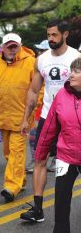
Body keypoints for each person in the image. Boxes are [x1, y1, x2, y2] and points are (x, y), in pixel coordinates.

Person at [20, 19, 81, 222]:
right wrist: (25, 119)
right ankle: (38, 209)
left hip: (72, 118)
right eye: (48, 35)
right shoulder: (42, 59)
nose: (51, 39)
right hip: (48, 116)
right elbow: (33, 90)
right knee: (39, 160)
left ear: (65, 34)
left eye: (54, 35)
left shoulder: (76, 57)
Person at [0, 33, 35, 202]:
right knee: (8, 152)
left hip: (22, 117)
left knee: (17, 151)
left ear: (20, 46)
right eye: (9, 46)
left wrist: (32, 108)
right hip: (2, 116)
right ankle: (21, 179)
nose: (12, 49)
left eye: (15, 46)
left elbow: (38, 88)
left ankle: (11, 186)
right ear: (3, 47)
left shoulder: (31, 62)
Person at [34, 57, 81, 232]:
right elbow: (49, 128)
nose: (71, 74)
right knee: (61, 202)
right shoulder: (62, 94)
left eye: (77, 71)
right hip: (66, 156)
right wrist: (40, 153)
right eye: (72, 70)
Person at [25, 40, 49, 174]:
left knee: (58, 136)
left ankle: (56, 160)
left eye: (42, 50)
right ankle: (35, 159)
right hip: (38, 110)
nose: (39, 53)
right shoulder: (36, 66)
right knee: (34, 135)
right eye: (39, 50)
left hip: (53, 109)